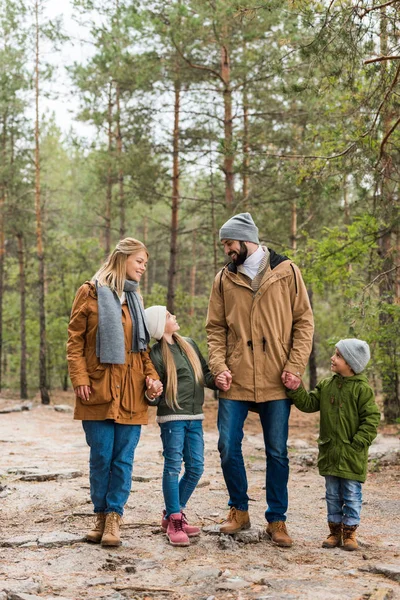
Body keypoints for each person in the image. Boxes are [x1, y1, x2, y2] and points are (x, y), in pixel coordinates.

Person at [206, 212, 314, 547]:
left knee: (277, 451)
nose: (226, 250)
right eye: (224, 244)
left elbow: (304, 322)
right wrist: (219, 365)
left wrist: (295, 366)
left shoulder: (286, 271)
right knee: (226, 445)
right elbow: (215, 329)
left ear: (246, 239)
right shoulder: (224, 279)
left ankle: (277, 520)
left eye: (229, 243)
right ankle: (238, 510)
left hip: (276, 376)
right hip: (234, 378)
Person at [67, 238, 163, 547]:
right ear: (122, 260)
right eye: (139, 261)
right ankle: (100, 515)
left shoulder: (136, 300)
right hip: (96, 388)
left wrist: (151, 378)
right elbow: (74, 342)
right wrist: (79, 377)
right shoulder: (90, 292)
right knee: (101, 457)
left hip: (132, 393)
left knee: (123, 460)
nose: (143, 267)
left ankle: (114, 519)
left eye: (145, 263)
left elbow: (143, 350)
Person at [286, 339, 380, 551]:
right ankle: (334, 532)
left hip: (352, 454)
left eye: (338, 355)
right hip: (330, 451)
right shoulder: (327, 385)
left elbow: (371, 419)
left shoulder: (362, 390)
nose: (332, 358)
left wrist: (358, 443)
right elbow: (309, 403)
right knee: (331, 495)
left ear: (351, 363)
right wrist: (296, 388)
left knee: (351, 494)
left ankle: (349, 534)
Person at [144, 305, 219, 547]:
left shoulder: (189, 344)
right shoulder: (155, 355)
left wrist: (218, 380)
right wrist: (152, 392)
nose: (174, 317)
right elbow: (150, 395)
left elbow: (205, 375)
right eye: (168, 316)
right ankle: (175, 520)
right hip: (172, 419)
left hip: (195, 416)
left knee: (196, 467)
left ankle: (171, 514)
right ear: (158, 325)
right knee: (173, 466)